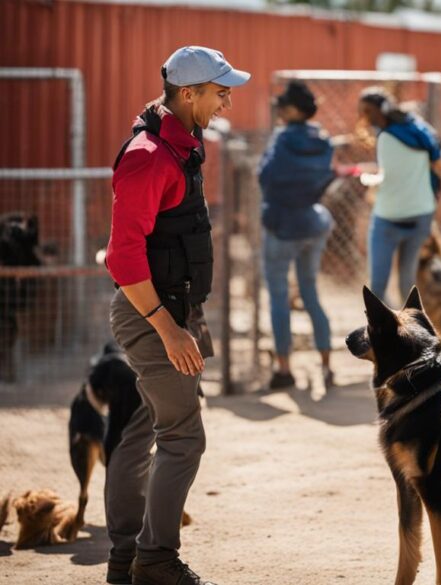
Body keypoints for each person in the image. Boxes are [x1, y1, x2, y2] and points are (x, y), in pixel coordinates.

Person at [104, 46, 249, 585]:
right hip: (153, 315)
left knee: (145, 428)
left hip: (174, 309)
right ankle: (155, 562)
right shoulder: (148, 154)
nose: (227, 98)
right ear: (187, 94)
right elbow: (124, 256)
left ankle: (125, 560)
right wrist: (168, 330)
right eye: (219, 89)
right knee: (184, 438)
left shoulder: (180, 145)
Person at [258, 80, 336, 390]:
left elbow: (266, 177)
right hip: (313, 221)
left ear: (292, 110)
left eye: (282, 106)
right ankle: (328, 367)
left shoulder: (282, 138)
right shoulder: (323, 140)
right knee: (310, 293)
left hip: (281, 224)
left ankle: (284, 369)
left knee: (278, 297)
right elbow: (324, 178)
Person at [357, 86, 441, 306]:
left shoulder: (386, 137)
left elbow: (388, 177)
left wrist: (368, 179)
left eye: (365, 111)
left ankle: (388, 329)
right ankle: (411, 330)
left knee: (377, 287)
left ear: (377, 112)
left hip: (389, 216)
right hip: (421, 214)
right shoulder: (417, 130)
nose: (363, 117)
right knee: (407, 283)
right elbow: (438, 166)